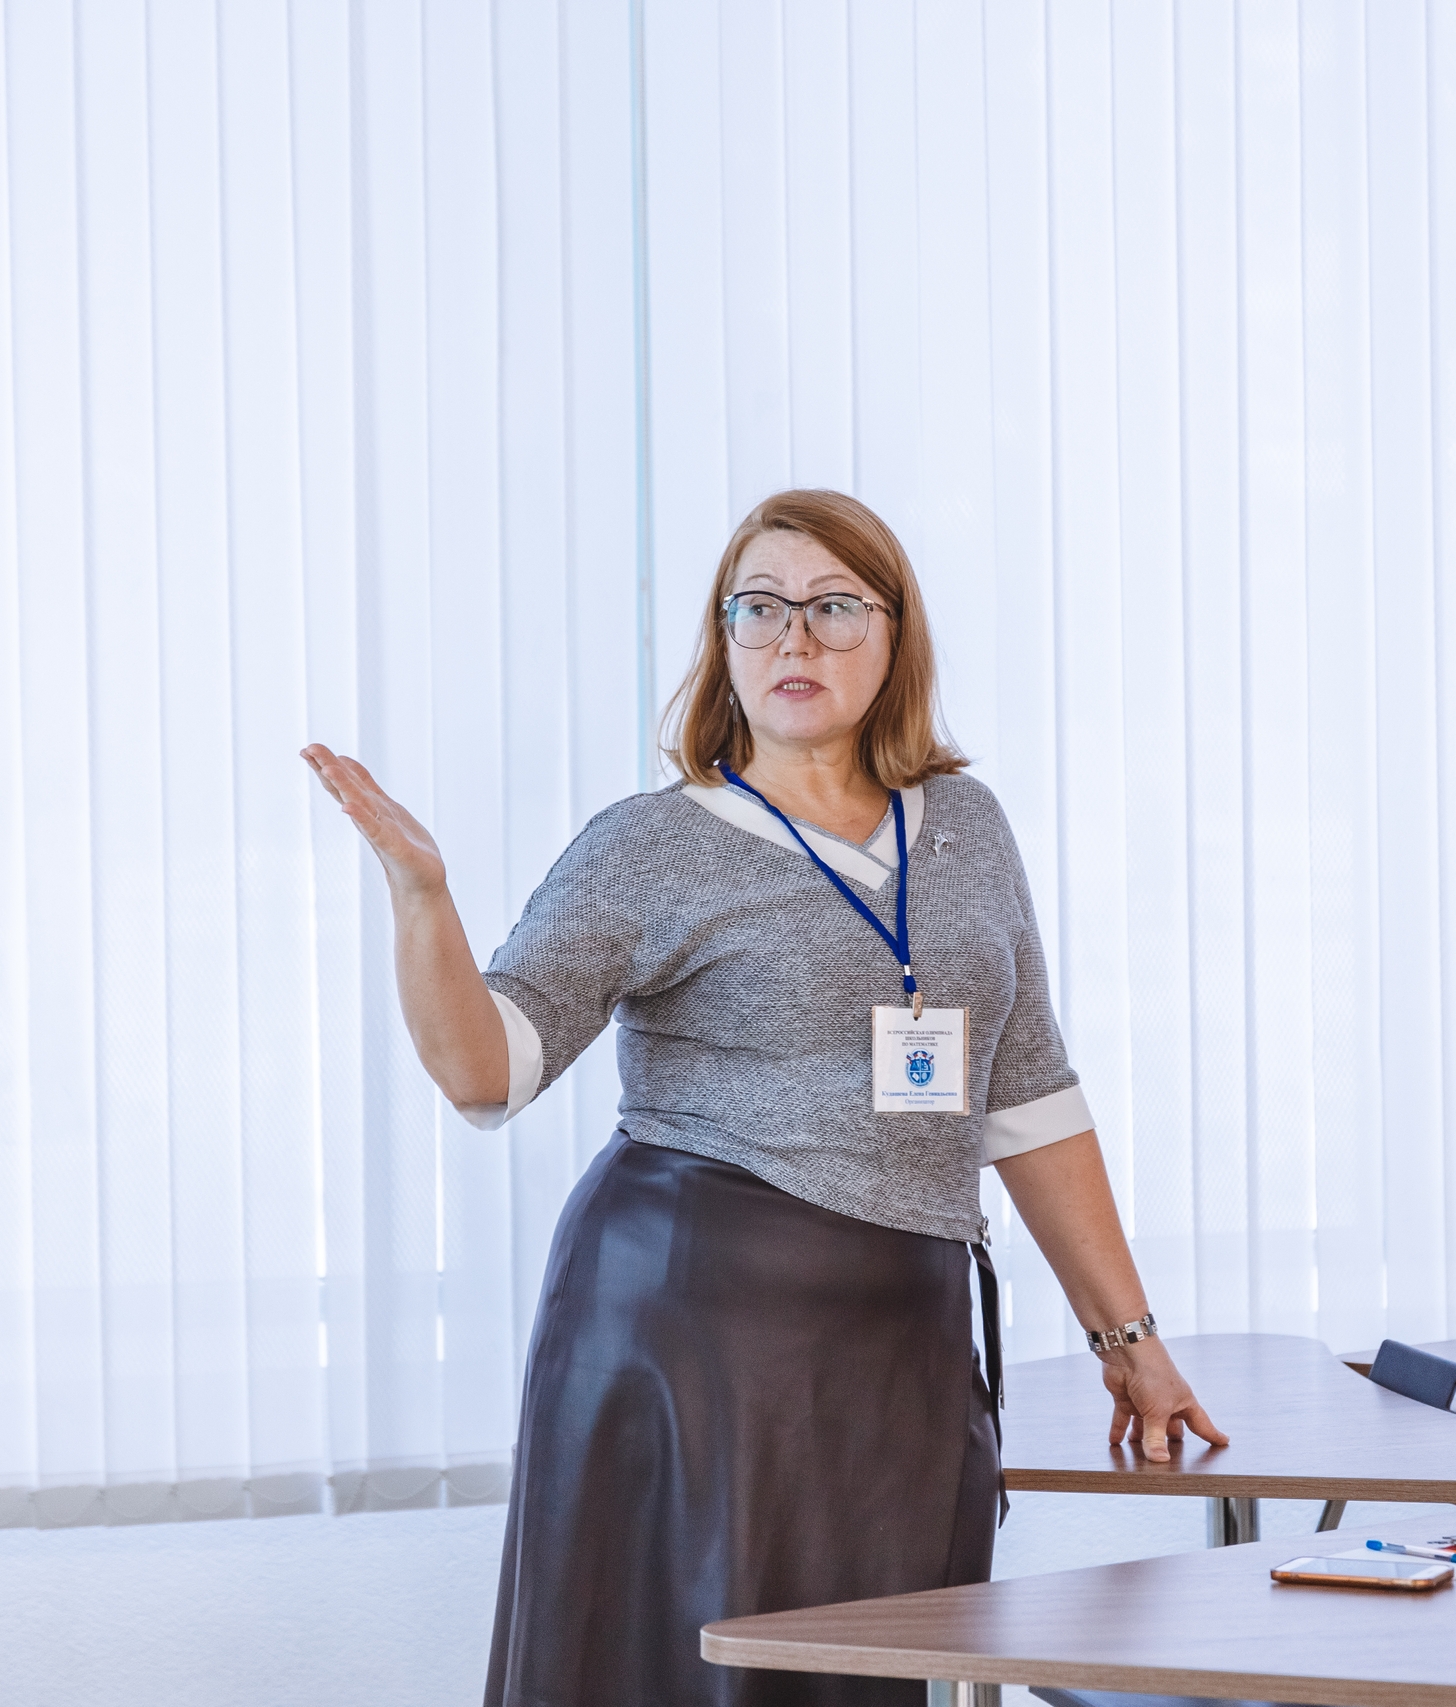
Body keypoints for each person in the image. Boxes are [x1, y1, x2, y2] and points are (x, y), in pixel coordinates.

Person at [302, 488, 1224, 1707]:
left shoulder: (965, 825)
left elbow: (1026, 1094)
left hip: (904, 1335)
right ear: (724, 639)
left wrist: (1129, 1343)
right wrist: (424, 898)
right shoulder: (648, 844)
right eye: (761, 608)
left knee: (880, 1667)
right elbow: (485, 1071)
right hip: (695, 1336)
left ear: (894, 637)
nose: (795, 639)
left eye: (834, 607)